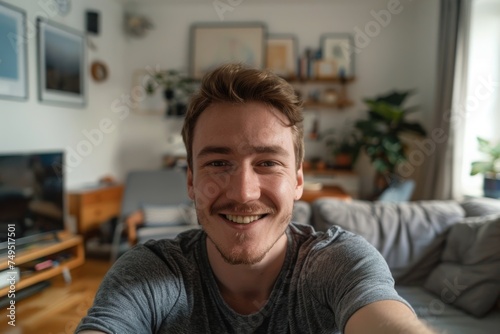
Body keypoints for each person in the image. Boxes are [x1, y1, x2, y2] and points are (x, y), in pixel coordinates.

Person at [76, 64, 435, 334]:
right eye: (218, 163)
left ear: (297, 181)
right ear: (190, 180)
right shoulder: (150, 272)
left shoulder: (341, 263)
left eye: (267, 162)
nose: (243, 193)